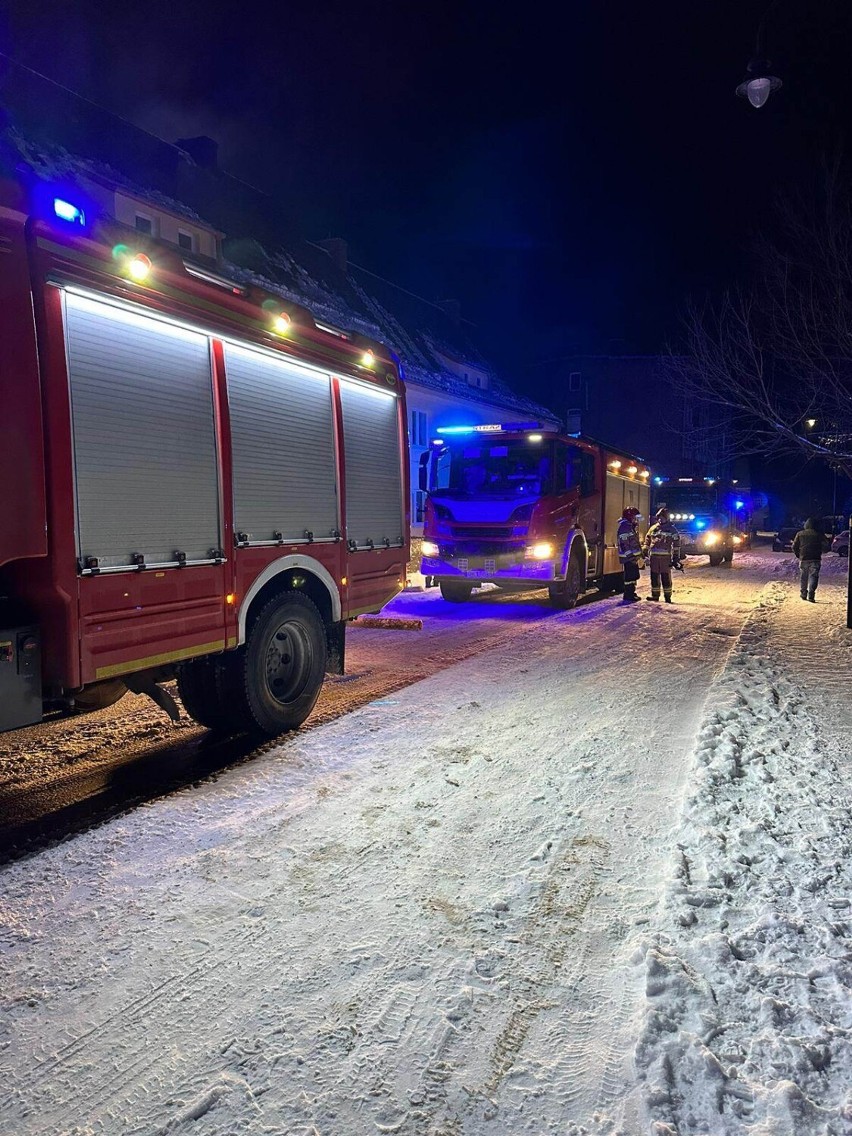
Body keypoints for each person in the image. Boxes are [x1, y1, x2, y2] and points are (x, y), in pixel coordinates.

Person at [643, 507, 681, 603]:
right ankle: (655, 595)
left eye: (662, 517)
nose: (660, 519)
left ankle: (667, 596)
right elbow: (647, 539)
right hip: (654, 557)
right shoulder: (653, 528)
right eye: (659, 517)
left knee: (665, 577)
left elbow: (676, 544)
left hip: (665, 558)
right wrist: (645, 549)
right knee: (654, 577)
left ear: (666, 518)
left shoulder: (672, 530)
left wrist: (676, 557)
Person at [792, 516, 825, 602]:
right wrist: (821, 551)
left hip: (804, 558)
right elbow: (826, 546)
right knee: (814, 576)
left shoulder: (800, 534)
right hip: (815, 558)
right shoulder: (819, 534)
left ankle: (803, 593)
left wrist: (798, 555)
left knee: (803, 576)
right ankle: (811, 594)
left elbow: (794, 546)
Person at [617, 507, 644, 603]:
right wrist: (630, 556)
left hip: (632, 557)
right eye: (634, 517)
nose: (636, 519)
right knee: (630, 576)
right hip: (628, 558)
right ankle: (628, 594)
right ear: (629, 517)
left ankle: (631, 592)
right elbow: (624, 544)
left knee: (633, 575)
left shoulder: (629, 526)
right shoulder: (625, 527)